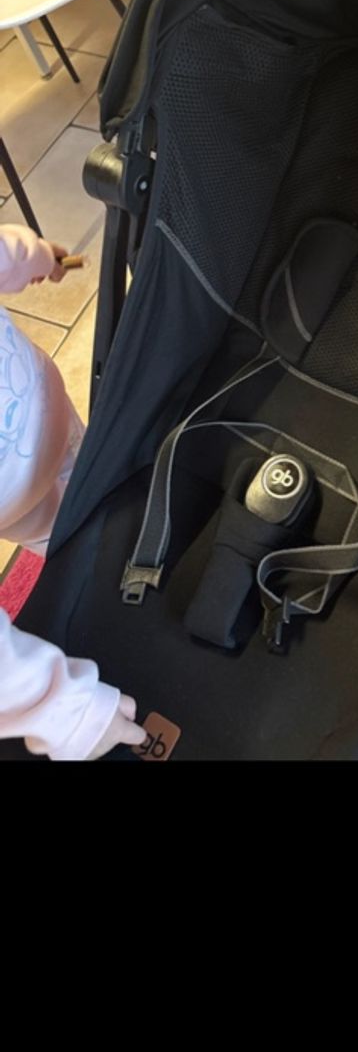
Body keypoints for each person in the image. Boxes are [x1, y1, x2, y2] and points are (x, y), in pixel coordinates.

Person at [0, 223, 145, 759]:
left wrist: (30, 256)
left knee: (90, 499)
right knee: (62, 541)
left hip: (51, 425)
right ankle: (78, 568)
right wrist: (62, 709)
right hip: (13, 501)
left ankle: (94, 548)